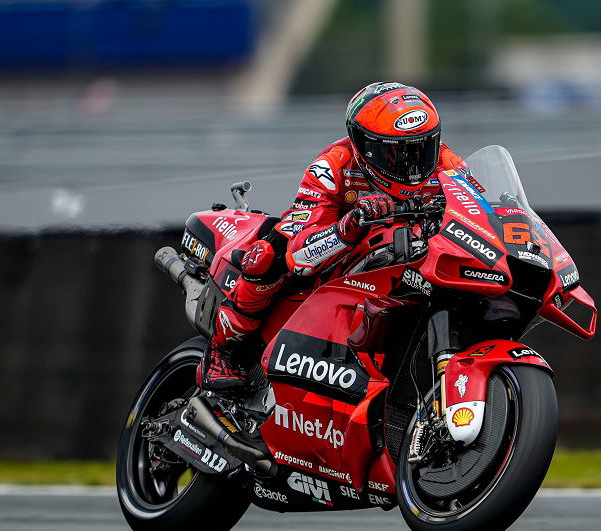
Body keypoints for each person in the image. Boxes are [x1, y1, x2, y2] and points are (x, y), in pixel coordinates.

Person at [198, 81, 466, 393]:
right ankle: (223, 350)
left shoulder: (449, 164)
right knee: (267, 256)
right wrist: (350, 226)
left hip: (409, 258)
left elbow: (481, 210)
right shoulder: (333, 165)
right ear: (364, 147)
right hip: (335, 254)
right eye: (395, 155)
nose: (412, 166)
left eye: (422, 150)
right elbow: (298, 251)